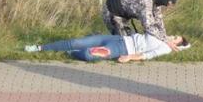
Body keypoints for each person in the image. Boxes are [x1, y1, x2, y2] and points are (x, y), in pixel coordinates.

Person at [24, 32, 190, 62]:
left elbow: (147, 55)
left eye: (175, 38)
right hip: (118, 39)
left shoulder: (165, 48)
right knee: (77, 41)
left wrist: (129, 57)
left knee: (90, 55)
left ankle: (72, 54)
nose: (172, 36)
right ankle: (39, 48)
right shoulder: (160, 32)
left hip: (121, 50)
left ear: (176, 46)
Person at [101, 0, 178, 41]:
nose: (169, 5)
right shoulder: (146, 0)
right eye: (169, 2)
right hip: (111, 11)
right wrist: (165, 40)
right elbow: (148, 26)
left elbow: (158, 20)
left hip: (122, 15)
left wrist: (165, 36)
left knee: (133, 40)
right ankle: (95, 40)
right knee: (124, 42)